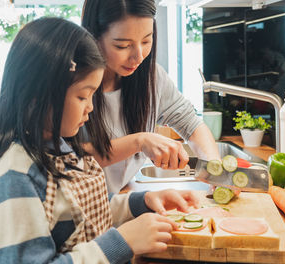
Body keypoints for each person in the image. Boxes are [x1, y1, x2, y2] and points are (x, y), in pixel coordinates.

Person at [0, 17, 199, 264]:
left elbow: (89, 209)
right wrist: (123, 242)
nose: (90, 108)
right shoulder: (14, 179)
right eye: (82, 96)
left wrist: (142, 202)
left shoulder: (61, 147)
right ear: (39, 95)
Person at [81, 0, 220, 193]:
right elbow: (68, 158)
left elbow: (191, 124)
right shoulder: (71, 83)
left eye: (146, 40)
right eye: (123, 46)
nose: (138, 56)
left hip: (119, 200)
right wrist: (139, 142)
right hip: (78, 208)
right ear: (93, 36)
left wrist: (215, 169)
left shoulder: (152, 77)